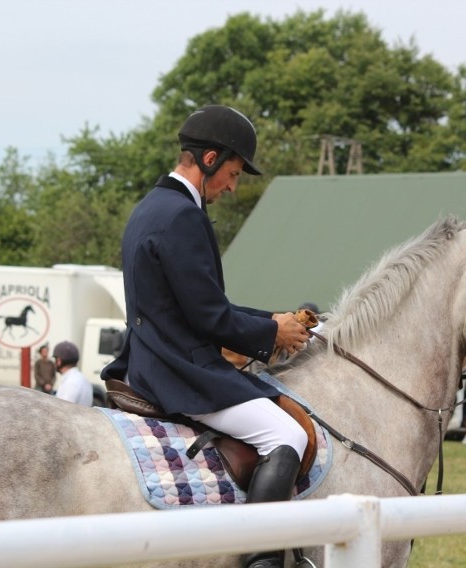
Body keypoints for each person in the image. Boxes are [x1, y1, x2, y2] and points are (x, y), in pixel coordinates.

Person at [102, 105, 310, 568]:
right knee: (287, 435)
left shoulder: (150, 208)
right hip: (178, 369)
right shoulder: (182, 216)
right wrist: (271, 330)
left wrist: (273, 321)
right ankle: (264, 560)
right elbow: (208, 317)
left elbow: (192, 306)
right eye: (233, 174)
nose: (232, 187)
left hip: (150, 358)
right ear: (210, 159)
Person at [53, 341, 93, 407]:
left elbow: (62, 411)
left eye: (55, 359)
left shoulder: (71, 382)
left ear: (59, 361)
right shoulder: (81, 378)